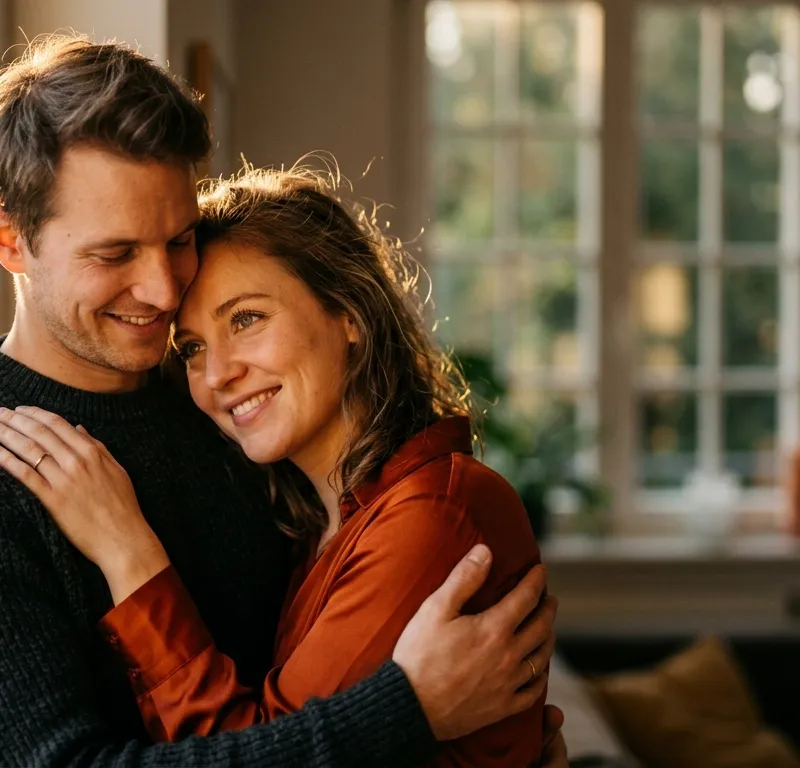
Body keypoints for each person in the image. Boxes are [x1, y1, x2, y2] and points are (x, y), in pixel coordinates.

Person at [0, 35, 565, 767]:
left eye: (177, 241)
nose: (165, 292)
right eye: (115, 255)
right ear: (12, 239)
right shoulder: (13, 466)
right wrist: (408, 709)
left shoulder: (231, 417)